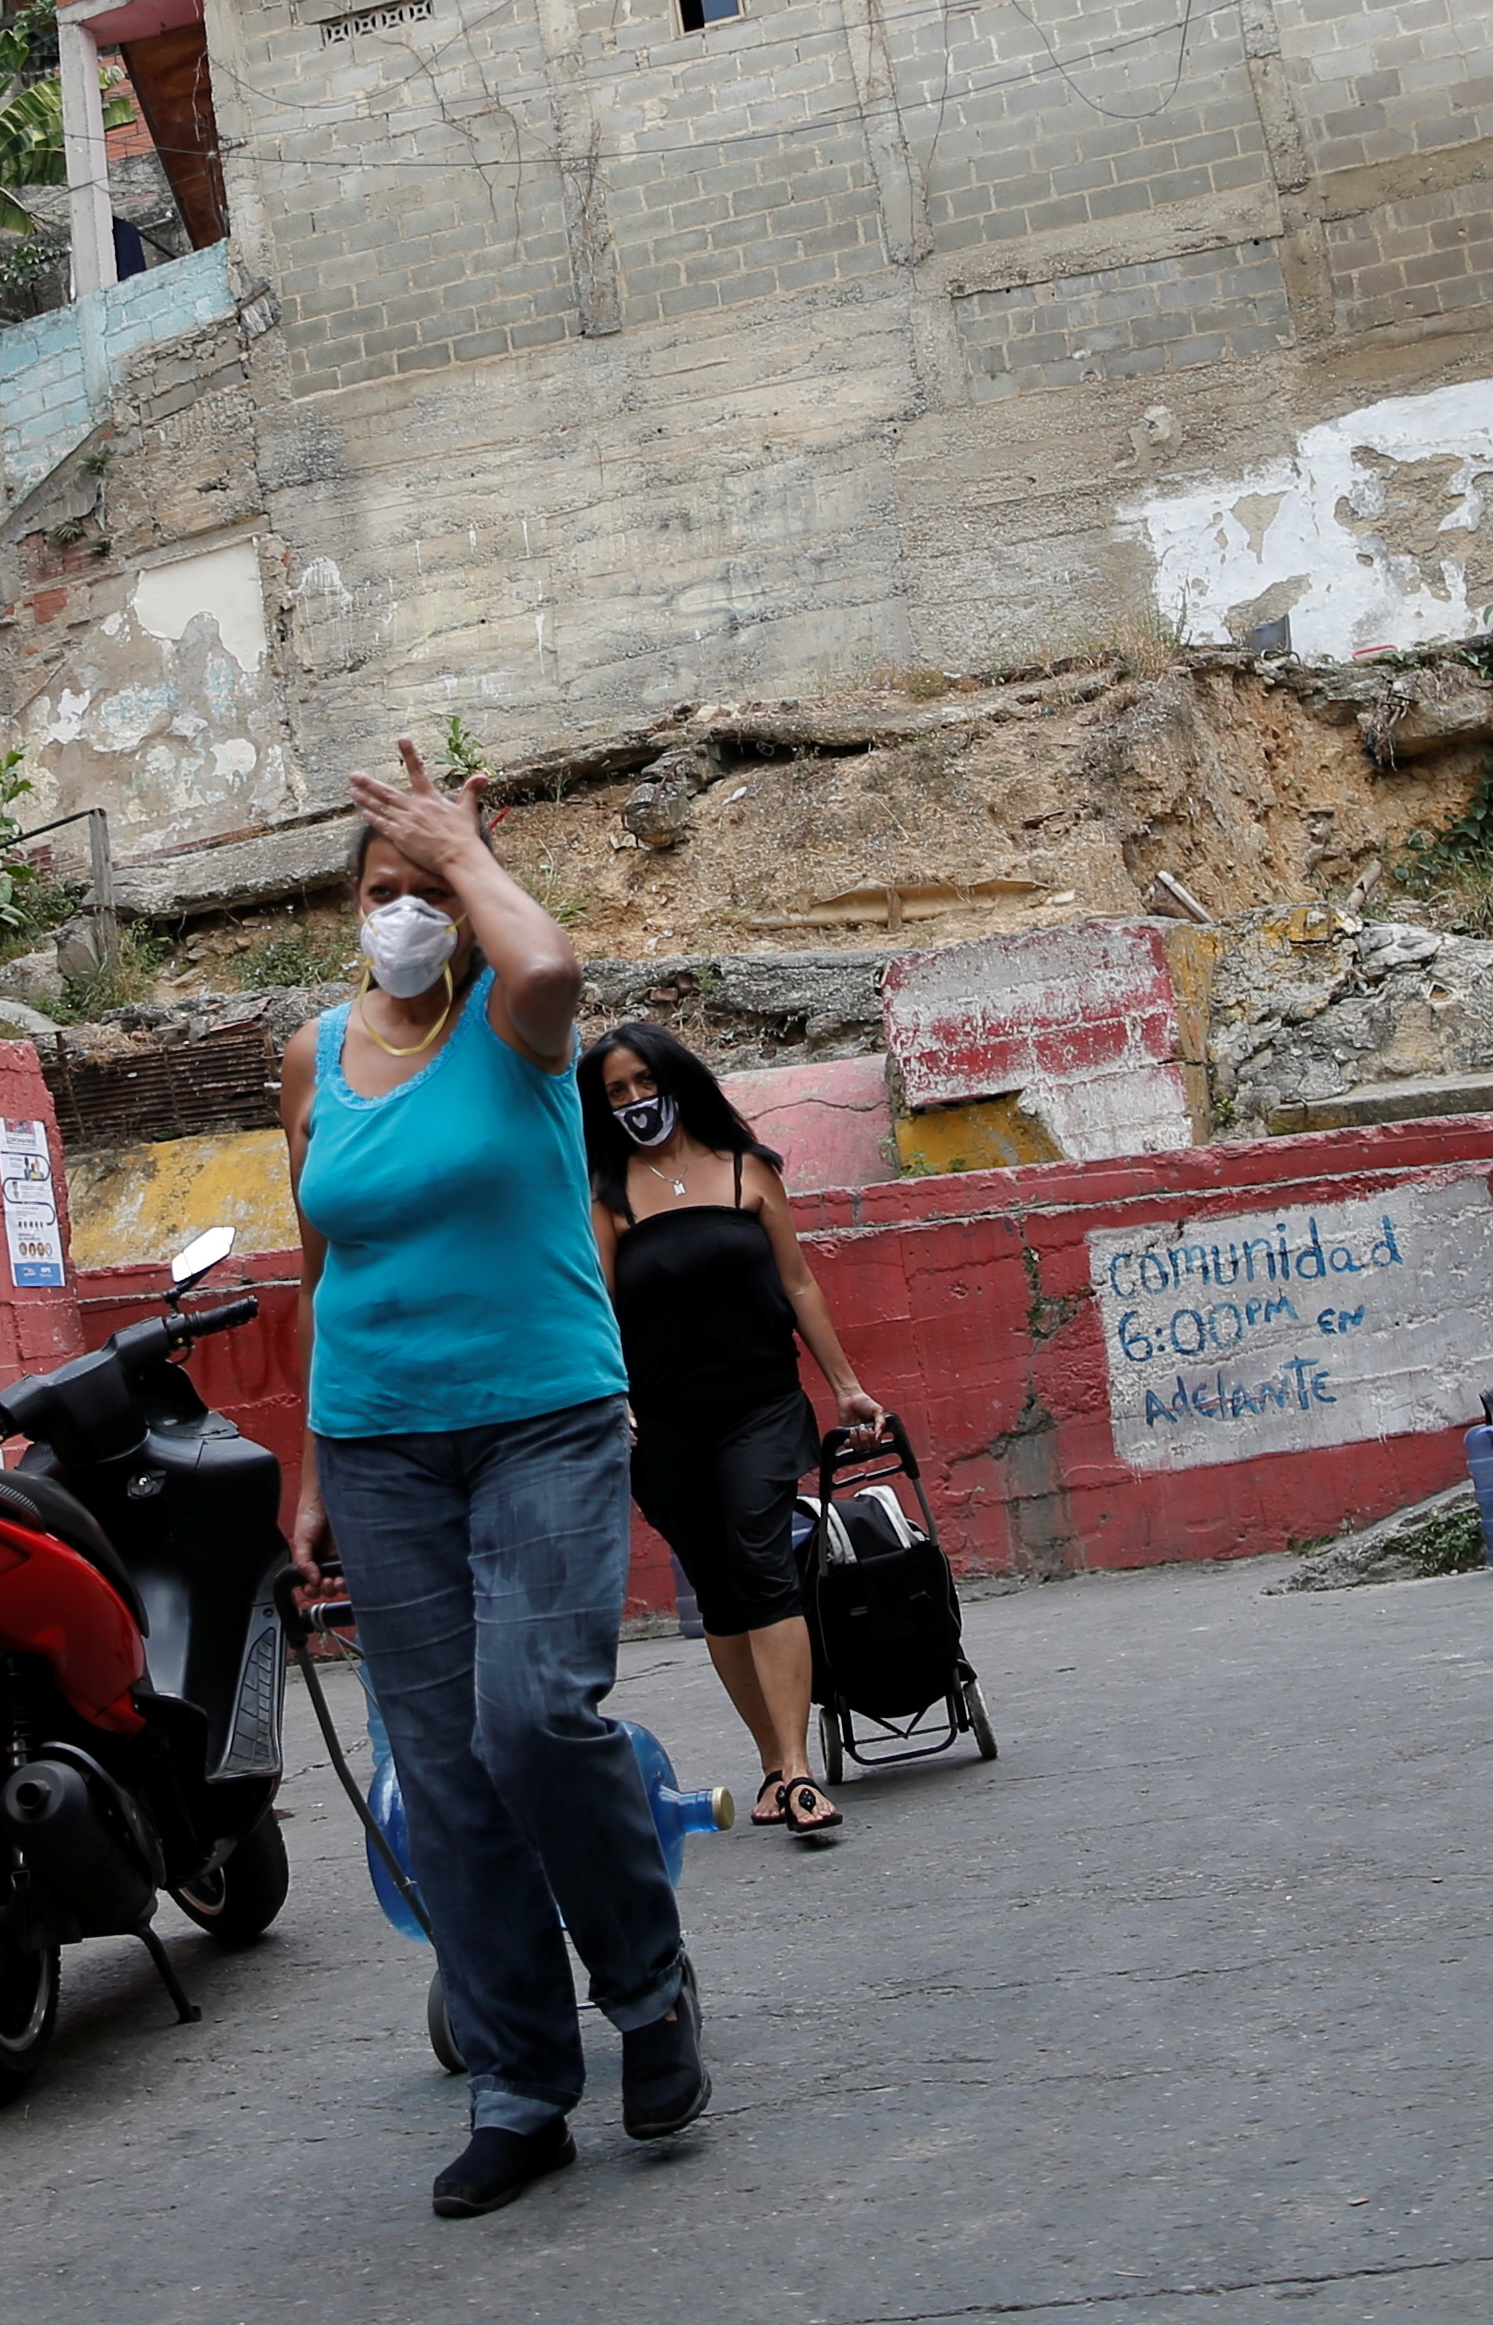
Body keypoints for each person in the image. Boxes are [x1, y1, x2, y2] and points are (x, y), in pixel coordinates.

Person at [282, 742, 704, 2219]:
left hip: (542, 1416)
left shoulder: (519, 1026)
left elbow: (553, 954)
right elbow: (322, 1258)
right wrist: (314, 1458)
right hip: (380, 1438)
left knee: (530, 1719)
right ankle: (521, 2080)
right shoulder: (314, 1054)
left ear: (462, 909)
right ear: (351, 905)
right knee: (441, 1774)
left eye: (426, 892)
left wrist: (462, 846)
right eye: (382, 889)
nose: (402, 913)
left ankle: (647, 1991)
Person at [581, 1021, 889, 1845]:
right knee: (718, 1590)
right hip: (664, 1424)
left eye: (644, 1081)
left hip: (759, 1404)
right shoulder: (606, 1199)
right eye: (615, 1092)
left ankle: (796, 1772)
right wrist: (611, 1396)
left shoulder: (747, 1172)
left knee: (761, 1565)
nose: (635, 1101)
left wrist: (848, 1388)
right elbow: (594, 1313)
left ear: (677, 1080)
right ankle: (769, 1757)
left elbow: (798, 1282)